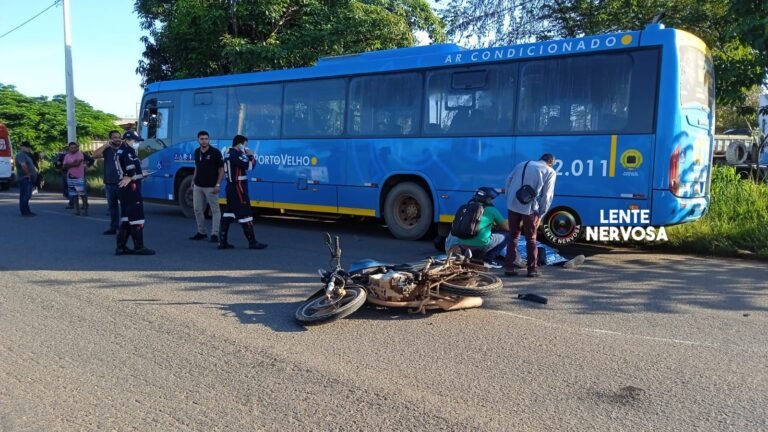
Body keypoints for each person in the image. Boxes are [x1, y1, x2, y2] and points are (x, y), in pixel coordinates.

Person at [503, 153, 557, 277]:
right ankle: (532, 270)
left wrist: (510, 198)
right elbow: (547, 196)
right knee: (531, 239)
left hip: (512, 205)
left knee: (513, 236)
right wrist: (541, 214)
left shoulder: (523, 164)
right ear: (551, 163)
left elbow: (508, 181)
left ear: (540, 159)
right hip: (529, 209)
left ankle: (509, 268)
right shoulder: (550, 171)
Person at [218, 134, 267, 250]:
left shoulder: (229, 153)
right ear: (240, 144)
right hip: (238, 188)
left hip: (232, 188)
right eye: (245, 145)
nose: (246, 147)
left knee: (228, 213)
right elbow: (249, 166)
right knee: (246, 213)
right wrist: (251, 155)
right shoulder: (235, 155)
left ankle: (222, 242)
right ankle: (252, 242)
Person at [444, 187, 509, 268]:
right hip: (480, 247)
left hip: (462, 245)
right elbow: (506, 228)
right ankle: (489, 260)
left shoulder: (466, 207)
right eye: (491, 199)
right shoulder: (491, 210)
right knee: (507, 235)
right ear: (487, 199)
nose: (492, 201)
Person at [114, 130, 155, 255]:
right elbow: (130, 172)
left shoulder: (119, 151)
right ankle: (139, 246)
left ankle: (121, 247)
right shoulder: (128, 153)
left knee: (126, 218)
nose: (137, 143)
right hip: (131, 187)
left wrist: (134, 176)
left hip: (123, 187)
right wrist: (141, 175)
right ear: (127, 140)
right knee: (137, 217)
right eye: (135, 141)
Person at [189, 130, 224, 243]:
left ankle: (215, 234)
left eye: (206, 139)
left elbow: (221, 169)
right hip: (198, 186)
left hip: (211, 187)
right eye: (202, 139)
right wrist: (193, 180)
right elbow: (197, 167)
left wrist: (218, 184)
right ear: (198, 140)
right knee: (197, 209)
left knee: (215, 210)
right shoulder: (196, 152)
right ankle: (201, 232)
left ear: (209, 140)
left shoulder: (215, 152)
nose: (204, 141)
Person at [93, 130, 123, 234]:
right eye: (114, 137)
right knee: (112, 207)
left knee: (125, 207)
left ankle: (125, 228)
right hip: (110, 183)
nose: (117, 139)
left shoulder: (124, 148)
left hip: (122, 182)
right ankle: (113, 227)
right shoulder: (107, 150)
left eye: (119, 137)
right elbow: (95, 155)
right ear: (110, 139)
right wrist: (105, 145)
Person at [62, 142, 89, 216]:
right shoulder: (67, 155)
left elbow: (77, 164)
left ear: (77, 148)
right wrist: (71, 164)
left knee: (82, 194)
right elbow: (64, 166)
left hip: (78, 176)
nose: (73, 149)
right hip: (70, 176)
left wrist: (69, 165)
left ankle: (85, 209)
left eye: (74, 147)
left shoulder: (79, 154)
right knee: (74, 195)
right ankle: (77, 210)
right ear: (69, 148)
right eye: (71, 147)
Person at [15, 141, 38, 217]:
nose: (29, 149)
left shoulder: (26, 155)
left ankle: (27, 210)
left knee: (27, 195)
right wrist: (28, 174)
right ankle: (25, 212)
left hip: (28, 177)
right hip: (24, 178)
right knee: (25, 195)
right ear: (22, 147)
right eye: (27, 147)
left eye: (29, 147)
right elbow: (23, 165)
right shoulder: (20, 155)